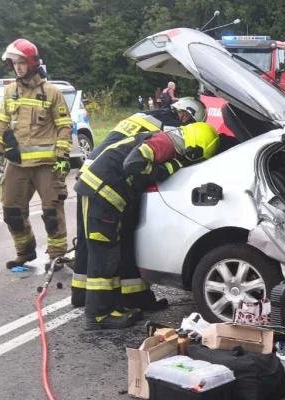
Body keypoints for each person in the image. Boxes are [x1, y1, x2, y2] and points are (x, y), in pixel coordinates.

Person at [75, 122, 219, 329]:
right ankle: (98, 315)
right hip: (101, 193)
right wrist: (171, 167)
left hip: (108, 195)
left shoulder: (167, 140)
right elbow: (133, 164)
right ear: (194, 148)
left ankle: (118, 306)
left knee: (114, 253)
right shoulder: (164, 143)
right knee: (103, 254)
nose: (186, 160)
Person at [0, 38, 72, 268]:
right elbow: (1, 123)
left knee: (51, 212)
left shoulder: (52, 92)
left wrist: (63, 156)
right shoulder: (10, 92)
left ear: (32, 63)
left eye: (21, 62)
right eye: (13, 62)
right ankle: (25, 252)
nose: (17, 67)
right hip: (17, 164)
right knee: (11, 211)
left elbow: (64, 125)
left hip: (46, 164)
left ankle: (57, 255)